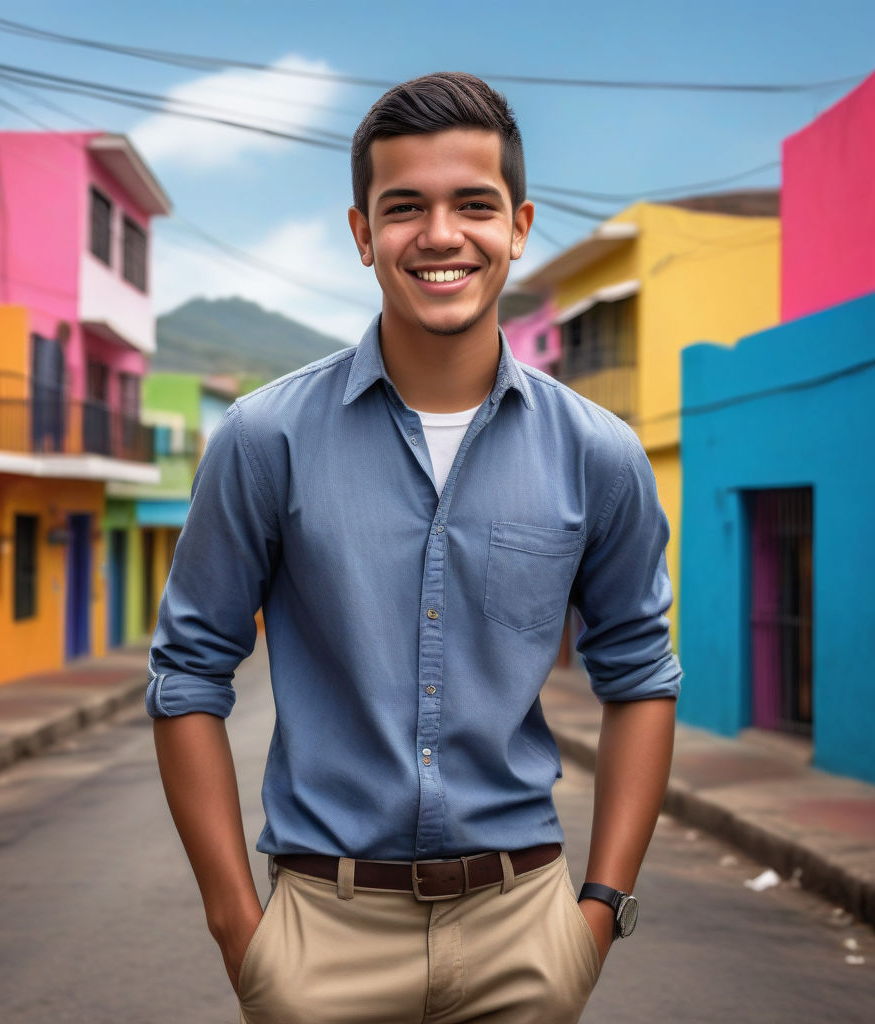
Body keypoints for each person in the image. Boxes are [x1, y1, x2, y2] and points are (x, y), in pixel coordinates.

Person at [148, 71, 680, 1024]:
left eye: (473, 204)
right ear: (363, 233)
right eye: (405, 208)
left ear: (517, 226)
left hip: (528, 934)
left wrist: (597, 915)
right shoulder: (263, 440)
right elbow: (188, 674)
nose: (440, 235)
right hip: (322, 938)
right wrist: (241, 930)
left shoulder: (597, 454)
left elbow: (638, 672)